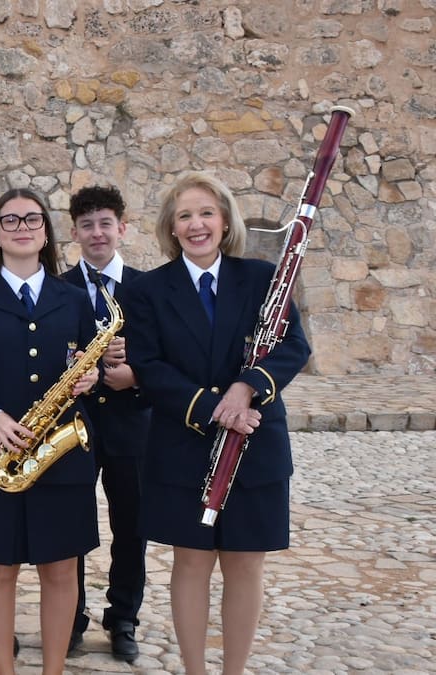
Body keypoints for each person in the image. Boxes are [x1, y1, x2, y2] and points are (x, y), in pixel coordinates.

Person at [124, 172, 310, 675]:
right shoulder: (146, 290)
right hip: (184, 444)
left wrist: (247, 386)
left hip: (255, 440)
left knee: (247, 562)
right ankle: (195, 671)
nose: (196, 224)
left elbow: (294, 346)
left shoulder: (263, 277)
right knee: (191, 561)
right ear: (171, 227)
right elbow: (149, 365)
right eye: (184, 215)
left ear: (225, 220)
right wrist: (213, 406)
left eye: (206, 212)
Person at [0, 188, 100, 675]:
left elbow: (84, 367)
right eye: (9, 221)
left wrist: (90, 380)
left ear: (48, 232)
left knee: (61, 568)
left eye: (32, 218)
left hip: (63, 454)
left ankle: (53, 669)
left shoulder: (75, 300)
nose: (22, 227)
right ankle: (3, 670)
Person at [62, 185, 151, 662]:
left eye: (105, 223)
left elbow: (165, 355)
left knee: (131, 525)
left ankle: (124, 618)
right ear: (73, 232)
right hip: (73, 423)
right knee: (71, 522)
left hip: (131, 421)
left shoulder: (148, 287)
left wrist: (132, 371)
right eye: (87, 225)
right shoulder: (56, 287)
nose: (96, 233)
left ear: (122, 228)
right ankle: (70, 617)